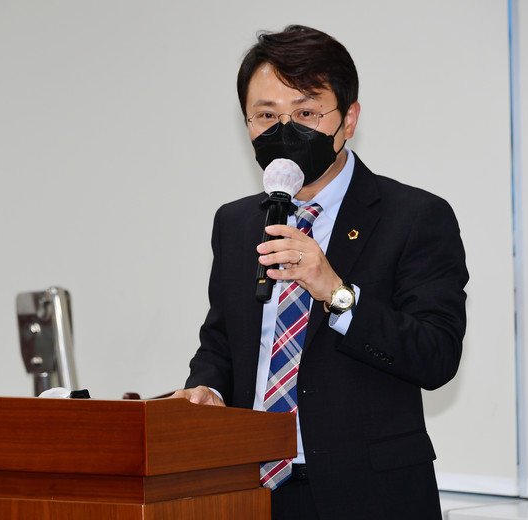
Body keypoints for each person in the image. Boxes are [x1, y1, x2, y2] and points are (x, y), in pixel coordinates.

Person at [173, 25, 469, 520]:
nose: (285, 130)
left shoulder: (415, 216)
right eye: (266, 115)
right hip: (250, 489)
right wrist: (209, 389)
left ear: (348, 119)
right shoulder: (236, 222)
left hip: (370, 494)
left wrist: (337, 292)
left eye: (306, 113)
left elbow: (436, 357)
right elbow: (222, 342)